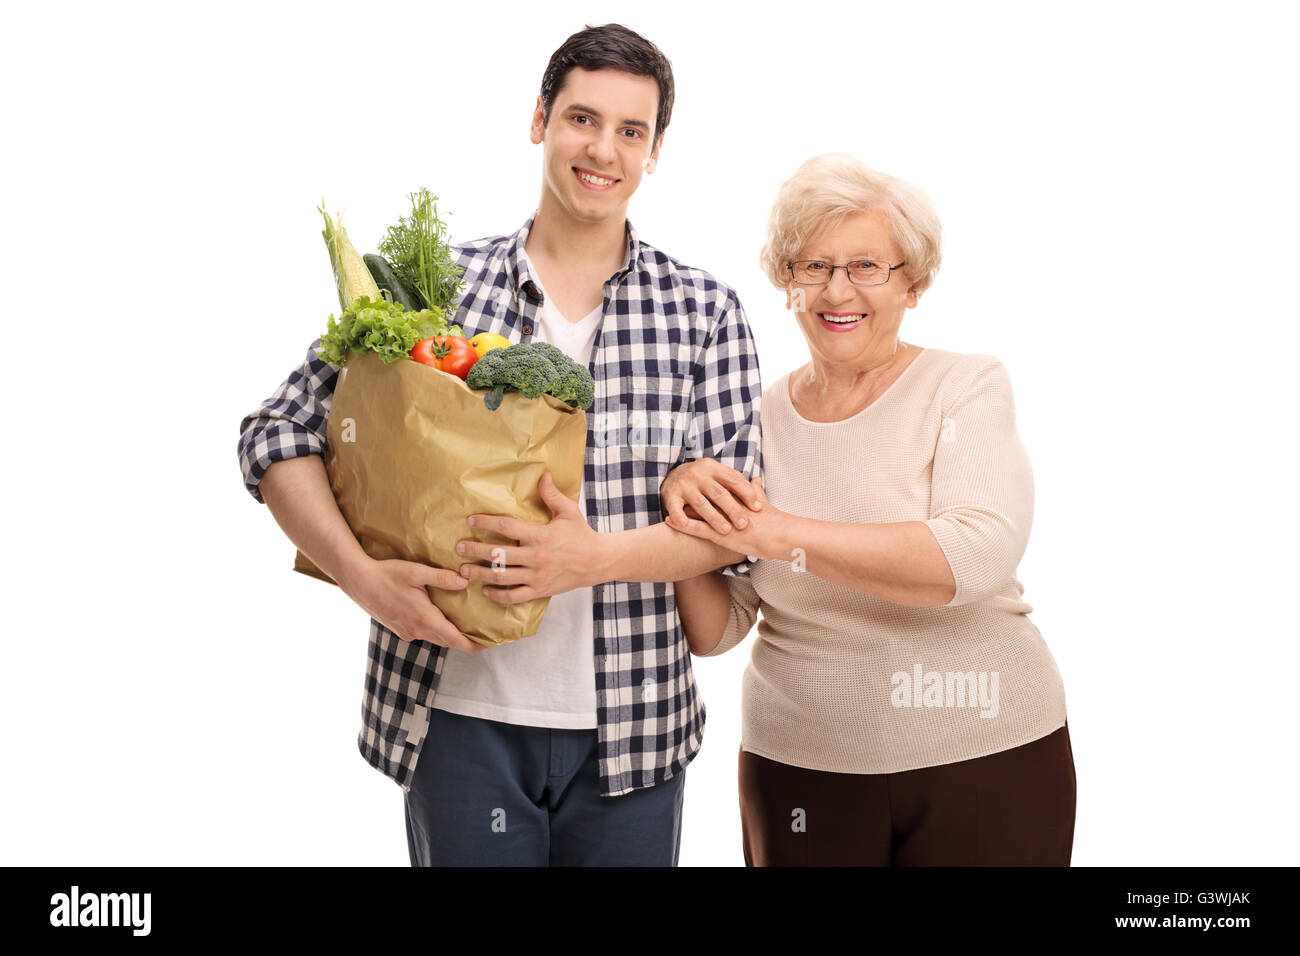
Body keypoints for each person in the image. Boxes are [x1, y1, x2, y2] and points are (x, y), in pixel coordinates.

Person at [236, 23, 762, 866]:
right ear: (540, 122)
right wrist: (362, 578)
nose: (603, 149)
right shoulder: (437, 289)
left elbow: (734, 525)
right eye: (582, 119)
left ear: (656, 150)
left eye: (632, 131)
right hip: (456, 717)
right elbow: (277, 433)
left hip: (634, 727)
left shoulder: (705, 314)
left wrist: (588, 560)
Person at [661, 153, 1075, 866]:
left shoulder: (964, 386)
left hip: (986, 750)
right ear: (785, 283)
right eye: (811, 267)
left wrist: (771, 530)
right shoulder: (752, 424)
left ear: (911, 284)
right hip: (798, 767)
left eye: (867, 267)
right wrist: (676, 502)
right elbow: (717, 628)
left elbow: (971, 557)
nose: (836, 290)